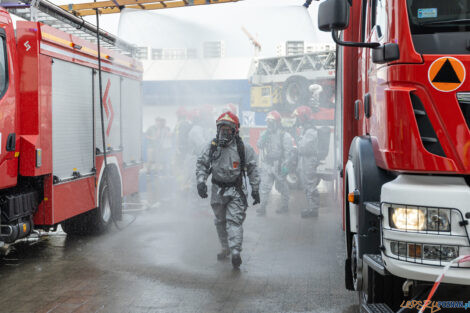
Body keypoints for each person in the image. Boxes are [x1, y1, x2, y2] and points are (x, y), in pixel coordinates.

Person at [196, 111, 260, 268]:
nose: (224, 132)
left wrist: (255, 188)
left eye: (228, 129)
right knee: (220, 221)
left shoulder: (243, 148)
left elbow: (253, 168)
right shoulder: (212, 147)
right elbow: (202, 164)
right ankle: (225, 248)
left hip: (236, 191)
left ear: (235, 131)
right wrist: (201, 181)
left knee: (234, 221)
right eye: (221, 128)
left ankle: (235, 252)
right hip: (217, 189)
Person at [256, 110, 296, 216]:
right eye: (268, 122)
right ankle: (262, 207)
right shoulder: (265, 133)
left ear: (277, 122)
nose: (269, 124)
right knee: (264, 186)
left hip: (279, 164)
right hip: (268, 163)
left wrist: (286, 166)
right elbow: (259, 145)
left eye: (271, 122)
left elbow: (289, 153)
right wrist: (264, 137)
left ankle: (284, 206)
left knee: (281, 186)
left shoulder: (285, 135)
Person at [292, 105, 320, 218]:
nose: (298, 120)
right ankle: (311, 207)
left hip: (309, 160)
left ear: (303, 117)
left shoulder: (311, 131)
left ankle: (313, 209)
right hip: (304, 159)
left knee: (310, 183)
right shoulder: (306, 129)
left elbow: (303, 148)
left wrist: (296, 139)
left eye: (299, 117)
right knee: (306, 184)